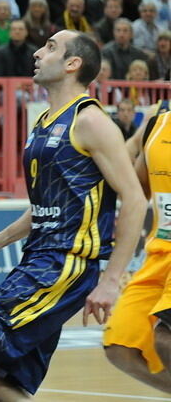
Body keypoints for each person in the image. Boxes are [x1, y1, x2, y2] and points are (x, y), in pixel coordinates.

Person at [0, 30, 147, 401]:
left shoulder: (90, 121)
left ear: (73, 64)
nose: (38, 52)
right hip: (40, 259)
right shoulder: (43, 122)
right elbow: (44, 206)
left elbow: (134, 199)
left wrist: (110, 280)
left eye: (51, 47)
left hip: (64, 264)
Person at [103, 100, 171, 393]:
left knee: (165, 339)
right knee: (120, 347)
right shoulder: (157, 123)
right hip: (159, 253)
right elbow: (138, 187)